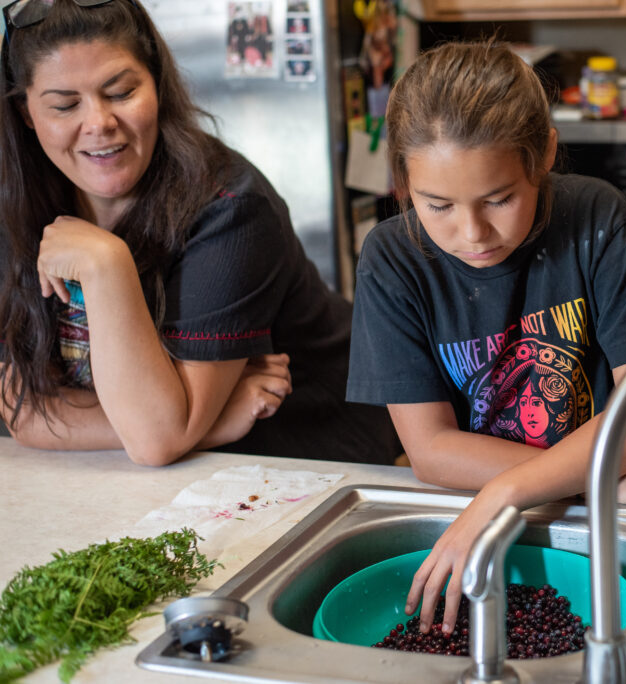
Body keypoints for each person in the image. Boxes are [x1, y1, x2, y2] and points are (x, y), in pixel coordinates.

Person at [347, 40, 626, 634]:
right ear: (402, 183)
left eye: (500, 199)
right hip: (600, 482)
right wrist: (604, 479)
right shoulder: (392, 258)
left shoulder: (598, 221)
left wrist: (508, 491)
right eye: (437, 205)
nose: (472, 233)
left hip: (587, 504)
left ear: (543, 153)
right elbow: (431, 450)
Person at [0, 0, 402, 466]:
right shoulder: (16, 206)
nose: (99, 123)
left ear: (157, 84)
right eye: (65, 105)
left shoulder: (232, 209)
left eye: (121, 92)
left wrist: (105, 264)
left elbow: (156, 439)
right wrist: (208, 425)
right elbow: (23, 411)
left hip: (307, 461)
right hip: (166, 472)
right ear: (27, 112)